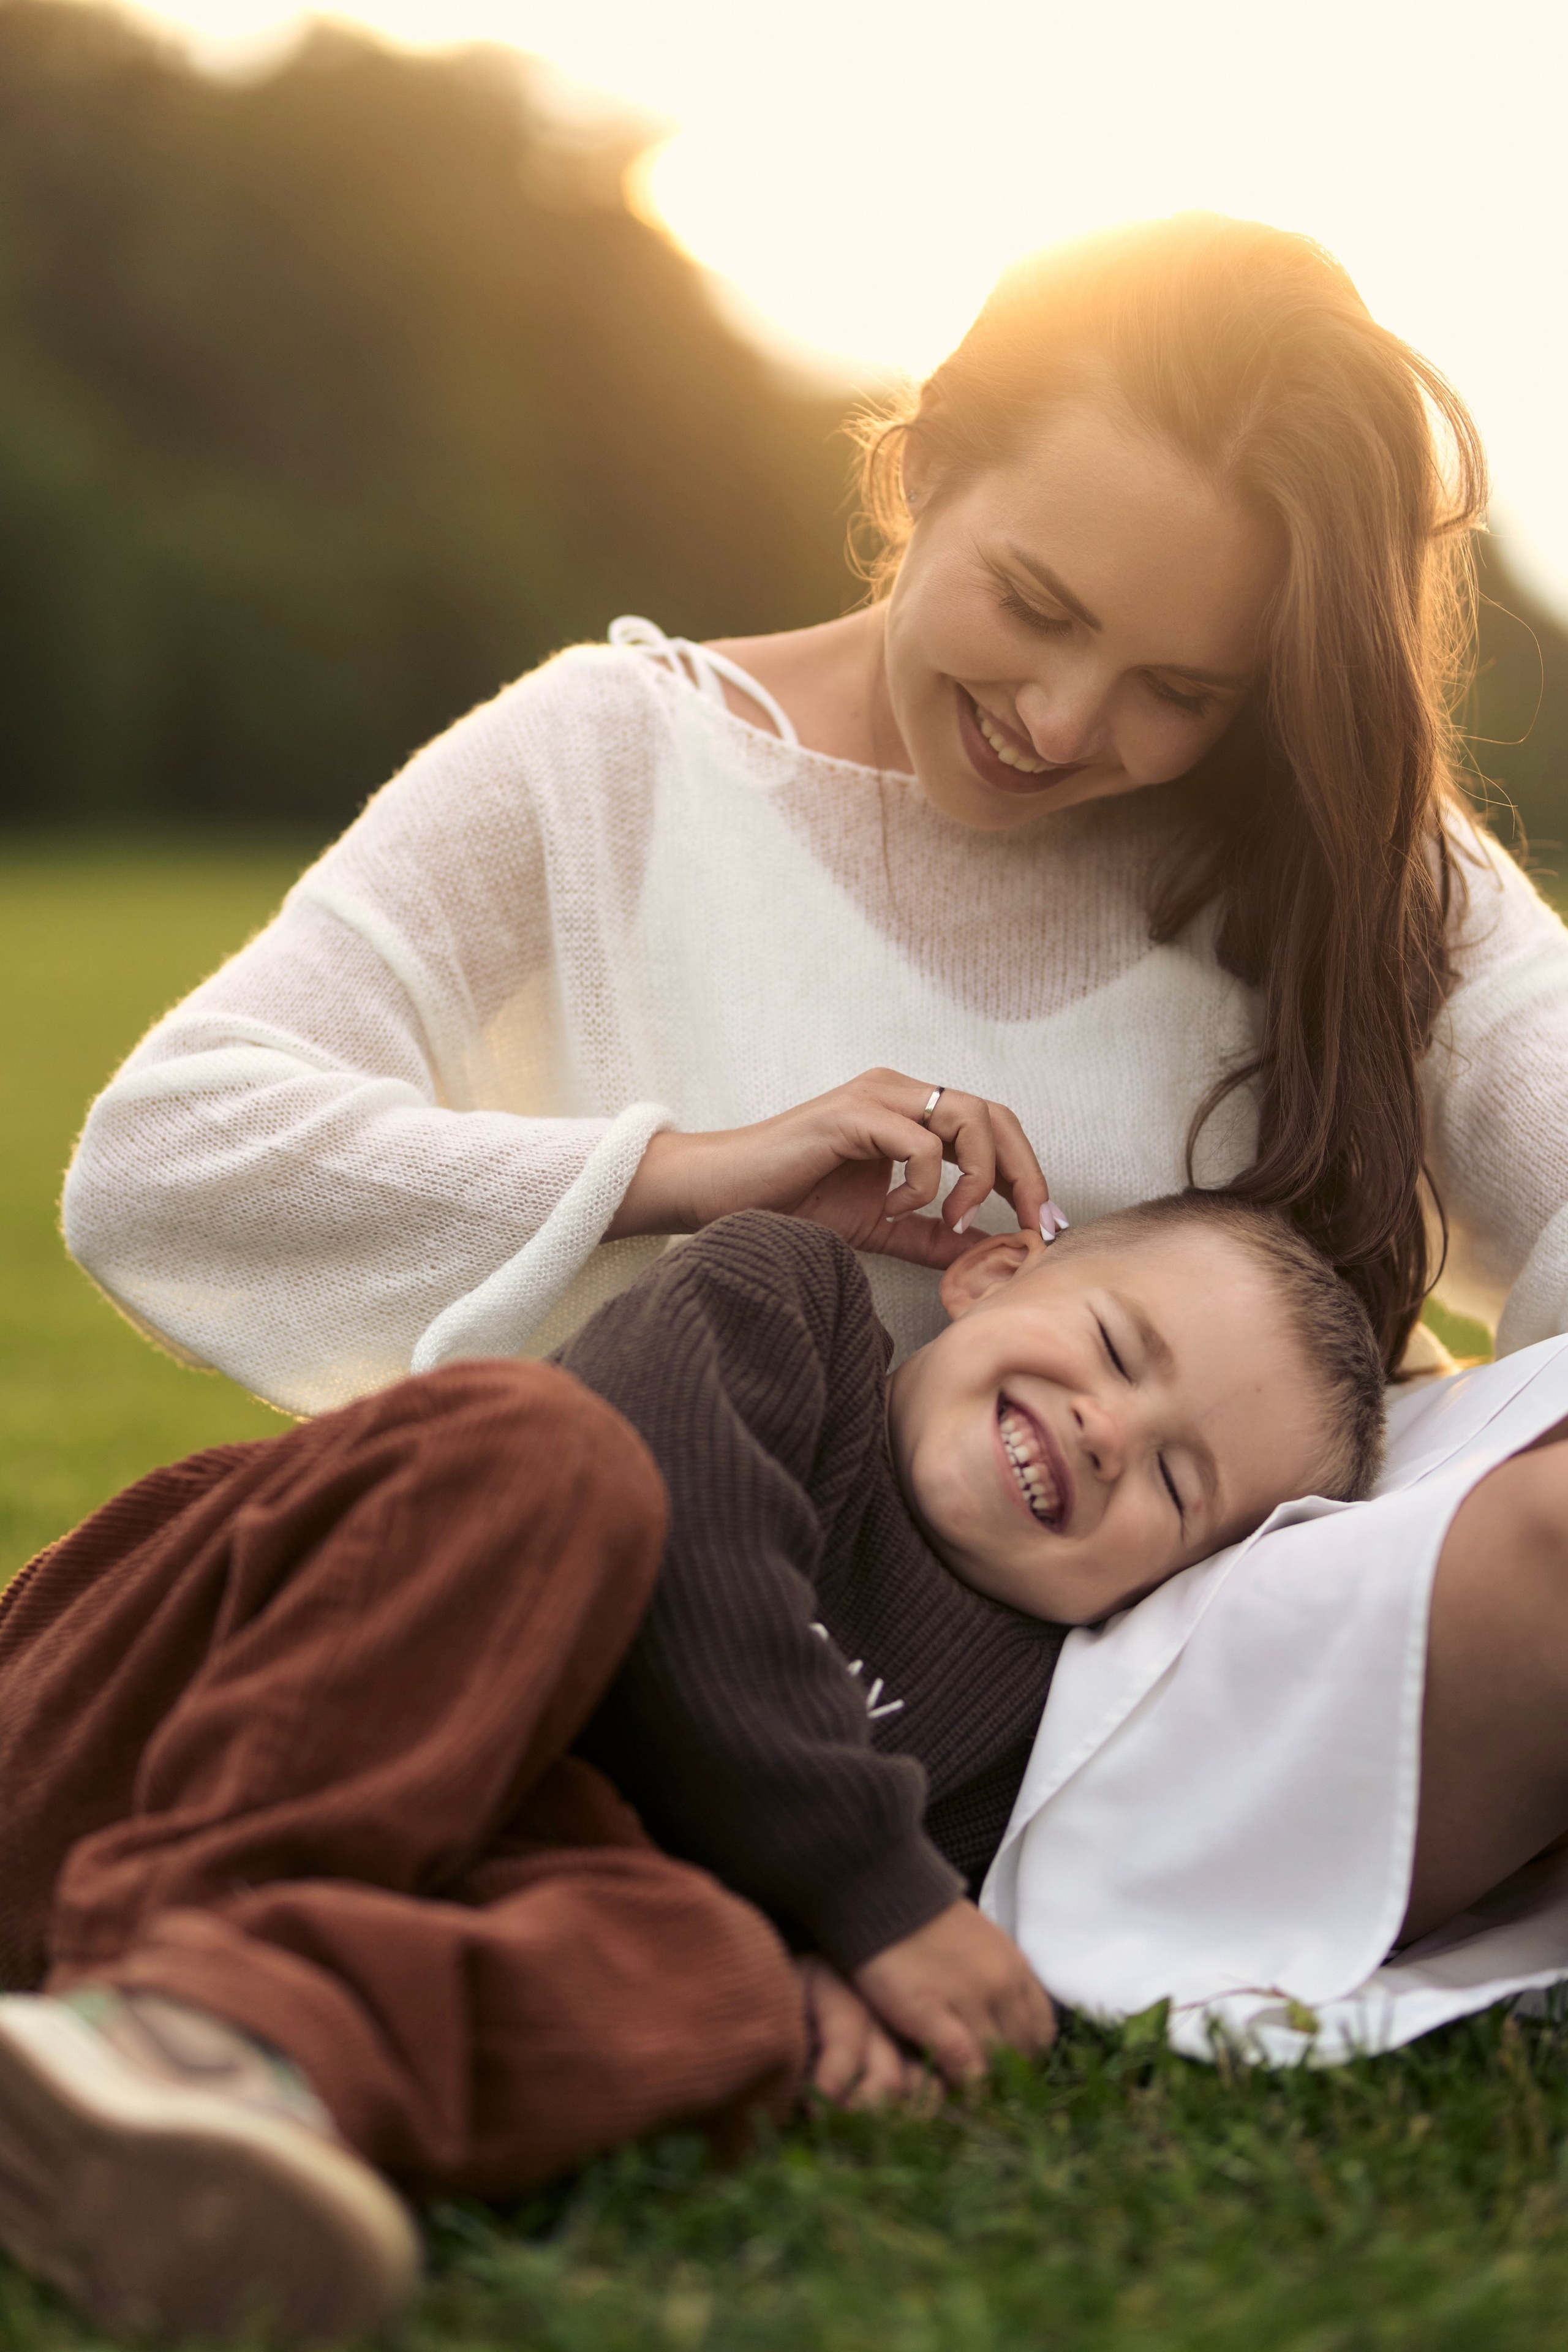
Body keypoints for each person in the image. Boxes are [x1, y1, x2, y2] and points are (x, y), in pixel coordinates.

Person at [54, 215, 1568, 2095]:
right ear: (922, 465)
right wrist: (684, 1169)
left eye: (1192, 690)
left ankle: (228, 2078)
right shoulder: (610, 759)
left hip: (973, 1760)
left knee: (690, 1972)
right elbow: (168, 1155)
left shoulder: (1345, 855)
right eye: (1038, 600)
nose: (1073, 724)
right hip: (546, 1628)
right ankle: (205, 1993)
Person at [0, 1197, 1382, 2340]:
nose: (1106, 1431)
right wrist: (870, 1896)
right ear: (991, 1272)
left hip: (393, 1891)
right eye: (1113, 1348)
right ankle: (175, 2005)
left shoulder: (1029, 1731)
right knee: (545, 1458)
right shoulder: (787, 1304)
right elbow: (681, 1547)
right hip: (161, 1730)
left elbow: (776, 1914)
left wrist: (814, 1977)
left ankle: (206, 2093)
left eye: (1178, 1485)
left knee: (721, 1988)